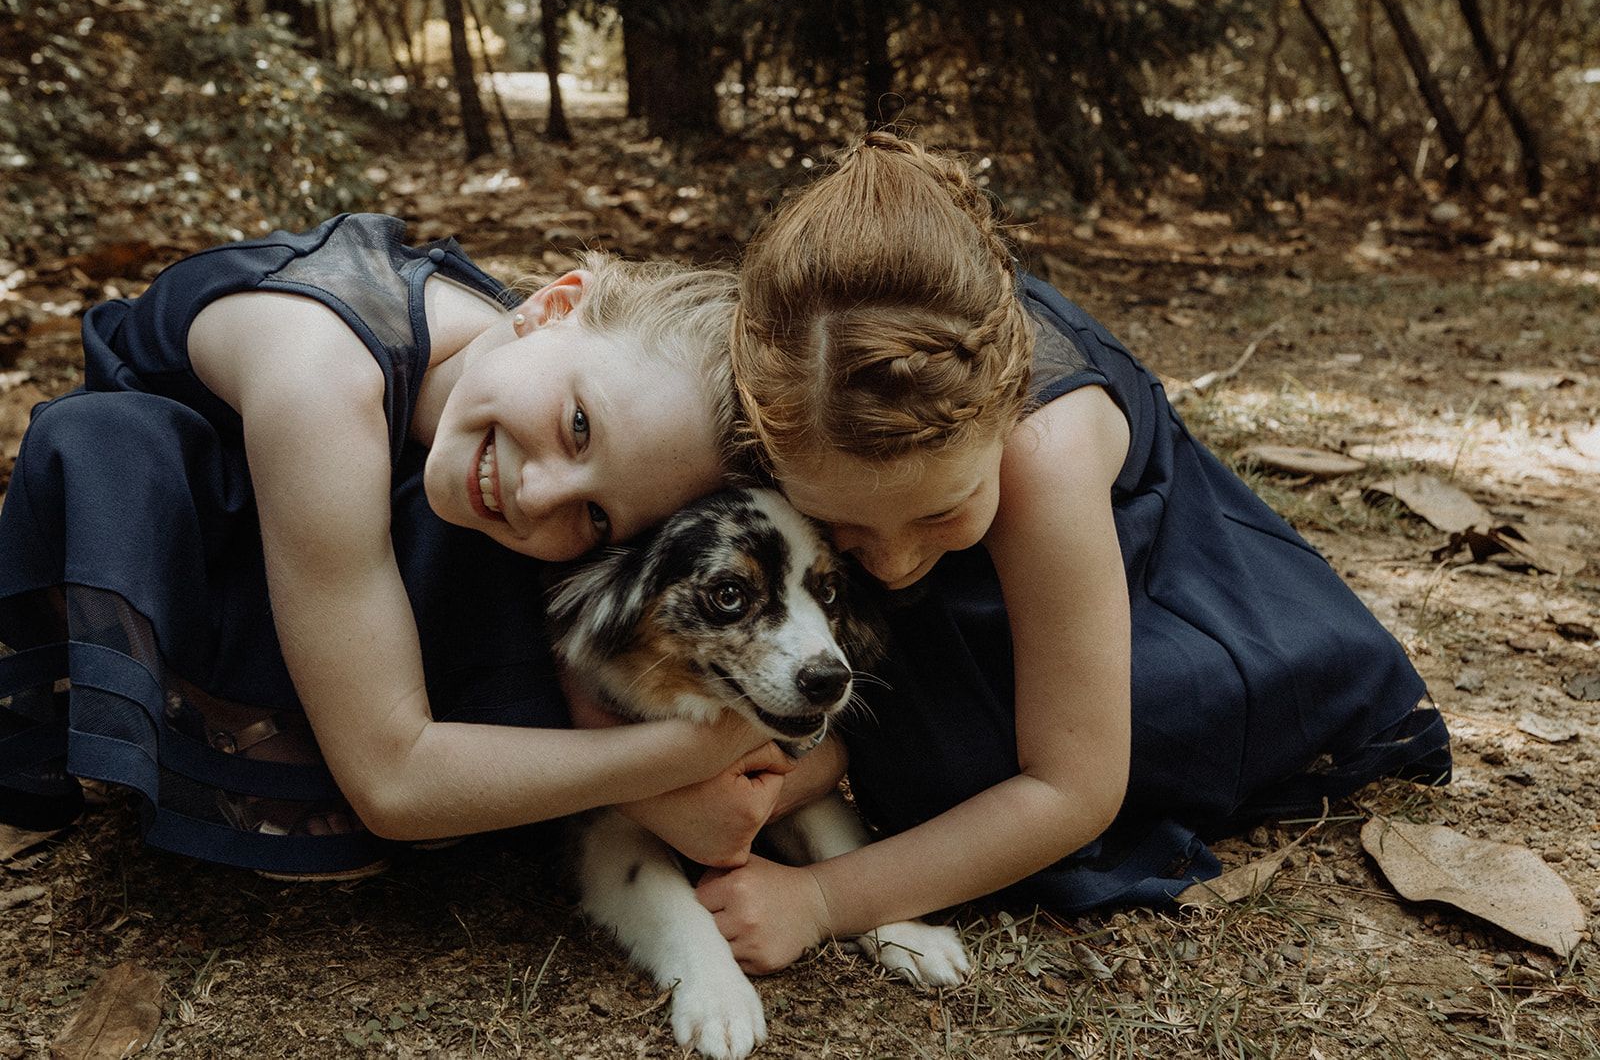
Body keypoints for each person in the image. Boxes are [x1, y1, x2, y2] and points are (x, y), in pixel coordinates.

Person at [700, 133, 1452, 972]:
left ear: (1006, 403)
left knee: (965, 775)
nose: (896, 562)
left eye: (939, 512)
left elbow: (1075, 790)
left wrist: (822, 899)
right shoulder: (793, 391)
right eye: (843, 528)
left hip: (1148, 601)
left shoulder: (1044, 447)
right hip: (980, 575)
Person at [0, 212, 797, 881]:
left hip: (343, 556)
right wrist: (686, 756)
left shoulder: (528, 388)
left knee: (531, 550)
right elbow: (393, 782)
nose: (541, 492)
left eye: (597, 515)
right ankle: (245, 723)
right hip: (187, 537)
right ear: (555, 305)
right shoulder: (320, 374)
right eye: (578, 426)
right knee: (481, 546)